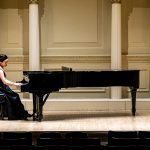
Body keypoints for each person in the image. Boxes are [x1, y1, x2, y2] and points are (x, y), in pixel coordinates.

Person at [0, 54, 32, 120]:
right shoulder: (0, 70)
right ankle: (19, 114)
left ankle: (22, 113)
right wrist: (15, 84)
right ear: (0, 62)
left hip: (2, 88)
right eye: (5, 62)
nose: (7, 64)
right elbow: (5, 81)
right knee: (15, 96)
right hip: (1, 89)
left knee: (15, 95)